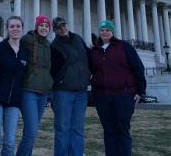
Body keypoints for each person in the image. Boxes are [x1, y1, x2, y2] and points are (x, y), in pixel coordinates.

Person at [89, 20, 146, 156]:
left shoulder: (124, 46)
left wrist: (140, 91)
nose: (104, 32)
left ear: (112, 31)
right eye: (102, 30)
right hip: (102, 96)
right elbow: (91, 71)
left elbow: (138, 67)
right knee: (108, 131)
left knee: (122, 130)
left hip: (124, 95)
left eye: (107, 30)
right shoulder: (95, 50)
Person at [0, 16, 28, 156]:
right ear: (7, 29)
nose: (15, 29)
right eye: (12, 26)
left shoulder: (24, 52)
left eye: (18, 26)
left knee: (10, 142)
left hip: (14, 102)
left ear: (22, 29)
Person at [50, 16, 91, 156]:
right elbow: (52, 70)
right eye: (58, 27)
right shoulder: (54, 46)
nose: (62, 29)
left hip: (81, 91)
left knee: (78, 128)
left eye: (63, 25)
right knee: (62, 128)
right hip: (63, 91)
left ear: (66, 25)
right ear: (54, 30)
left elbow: (89, 57)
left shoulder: (78, 39)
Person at [16, 15, 53, 156]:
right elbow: (13, 45)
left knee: (32, 131)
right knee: (31, 131)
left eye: (46, 26)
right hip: (29, 89)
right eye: (41, 25)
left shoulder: (48, 44)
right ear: (36, 27)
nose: (44, 28)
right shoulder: (27, 39)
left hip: (43, 91)